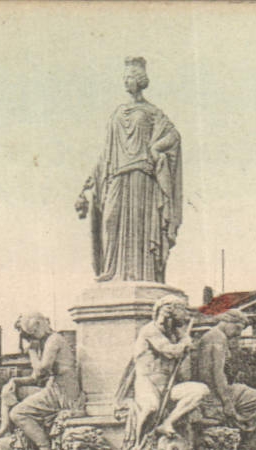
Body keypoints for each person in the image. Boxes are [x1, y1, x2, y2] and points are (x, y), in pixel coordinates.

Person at [75, 56, 182, 284]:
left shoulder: (152, 113)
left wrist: (155, 147)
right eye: (125, 78)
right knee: (110, 221)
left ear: (141, 80)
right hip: (116, 178)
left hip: (142, 178)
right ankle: (112, 272)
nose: (126, 82)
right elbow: (106, 154)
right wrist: (86, 185)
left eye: (131, 77)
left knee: (140, 228)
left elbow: (173, 136)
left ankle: (143, 274)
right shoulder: (117, 113)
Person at [0, 313, 85, 450]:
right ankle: (4, 428)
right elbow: (36, 377)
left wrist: (32, 351)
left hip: (63, 392)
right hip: (54, 388)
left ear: (38, 325)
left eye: (31, 334)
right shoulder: (49, 341)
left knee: (18, 413)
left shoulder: (54, 340)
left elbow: (41, 371)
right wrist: (15, 381)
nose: (32, 338)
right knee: (9, 389)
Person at [113, 297, 208, 450]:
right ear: (169, 311)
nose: (186, 315)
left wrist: (185, 346)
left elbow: (183, 370)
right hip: (147, 384)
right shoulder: (150, 330)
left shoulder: (176, 333)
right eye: (182, 310)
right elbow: (170, 351)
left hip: (167, 387)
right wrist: (185, 342)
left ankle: (168, 422)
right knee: (151, 408)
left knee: (200, 391)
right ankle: (136, 446)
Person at [188, 309, 256, 435]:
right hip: (214, 390)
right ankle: (237, 425)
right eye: (237, 328)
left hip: (215, 388)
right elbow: (217, 372)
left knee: (255, 395)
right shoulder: (217, 337)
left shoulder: (214, 336)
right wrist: (227, 402)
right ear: (227, 321)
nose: (238, 334)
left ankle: (234, 424)